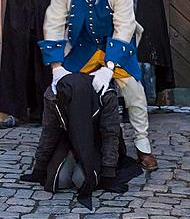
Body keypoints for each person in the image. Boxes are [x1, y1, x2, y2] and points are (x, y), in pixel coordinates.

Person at [38, 0, 158, 171]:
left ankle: (142, 144)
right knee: (58, 92)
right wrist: (57, 68)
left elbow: (125, 27)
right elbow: (53, 23)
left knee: (135, 92)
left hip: (115, 52)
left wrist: (109, 68)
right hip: (82, 51)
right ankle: (60, 143)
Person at [20, 72, 142, 209]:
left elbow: (110, 135)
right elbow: (49, 132)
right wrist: (40, 168)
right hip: (68, 140)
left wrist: (108, 172)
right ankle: (71, 159)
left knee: (81, 180)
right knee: (59, 180)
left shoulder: (105, 95)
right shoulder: (54, 95)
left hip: (96, 141)